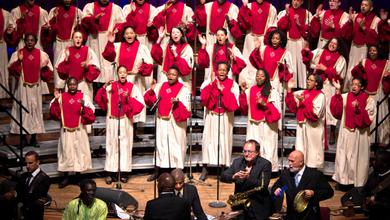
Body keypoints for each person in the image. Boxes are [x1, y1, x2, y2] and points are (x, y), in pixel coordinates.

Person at [95, 66, 145, 184]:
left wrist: (128, 99)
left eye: (124, 72)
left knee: (125, 146)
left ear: (127, 74)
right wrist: (103, 88)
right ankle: (110, 172)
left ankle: (123, 172)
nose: (122, 74)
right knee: (111, 145)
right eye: (120, 72)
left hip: (125, 121)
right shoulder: (111, 86)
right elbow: (99, 100)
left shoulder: (132, 88)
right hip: (112, 120)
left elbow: (139, 105)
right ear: (117, 73)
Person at [144, 65, 191, 181]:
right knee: (161, 146)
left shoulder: (183, 89)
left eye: (174, 74)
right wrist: (151, 89)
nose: (171, 76)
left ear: (178, 76)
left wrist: (177, 103)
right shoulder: (160, 86)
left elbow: (187, 108)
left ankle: (178, 172)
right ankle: (158, 171)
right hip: (162, 121)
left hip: (175, 122)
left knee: (176, 146)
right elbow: (149, 100)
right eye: (169, 74)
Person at [8, 33, 53, 148]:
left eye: (32, 40)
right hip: (22, 88)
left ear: (36, 41)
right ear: (24, 41)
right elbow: (12, 71)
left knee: (35, 111)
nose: (30, 42)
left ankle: (33, 138)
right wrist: (19, 61)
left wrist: (44, 67)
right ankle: (23, 139)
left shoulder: (42, 55)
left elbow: (47, 75)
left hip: (36, 88)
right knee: (22, 111)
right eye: (28, 40)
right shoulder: (18, 53)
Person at [50, 77, 96, 188]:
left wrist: (84, 106)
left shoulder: (83, 97)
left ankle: (78, 177)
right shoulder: (61, 97)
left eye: (74, 84)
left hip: (79, 130)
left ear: (77, 85)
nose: (72, 86)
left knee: (78, 153)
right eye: (70, 84)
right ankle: (66, 177)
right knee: (66, 153)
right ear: (67, 85)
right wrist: (56, 100)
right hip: (66, 130)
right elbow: (53, 113)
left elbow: (91, 115)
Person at [330, 78, 376, 187]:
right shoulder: (345, 97)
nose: (354, 86)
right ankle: (343, 181)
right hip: (345, 132)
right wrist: (337, 93)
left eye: (357, 85)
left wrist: (359, 109)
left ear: (362, 87)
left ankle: (356, 183)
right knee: (343, 157)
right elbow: (337, 112)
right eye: (353, 84)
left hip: (359, 134)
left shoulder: (369, 100)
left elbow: (368, 121)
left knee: (357, 158)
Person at [301, 37, 347, 145]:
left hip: (330, 85)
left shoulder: (340, 59)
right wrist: (306, 52)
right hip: (317, 84)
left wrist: (325, 69)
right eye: (331, 42)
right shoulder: (320, 51)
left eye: (335, 44)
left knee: (329, 109)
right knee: (316, 107)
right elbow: (308, 59)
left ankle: (331, 132)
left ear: (338, 46)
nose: (332, 45)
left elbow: (340, 75)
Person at [102, 25, 153, 123]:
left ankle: (134, 131)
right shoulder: (118, 46)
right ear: (124, 36)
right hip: (120, 80)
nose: (129, 35)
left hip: (135, 81)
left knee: (133, 104)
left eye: (131, 33)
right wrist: (110, 42)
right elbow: (108, 56)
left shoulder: (141, 48)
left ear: (135, 35)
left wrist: (140, 70)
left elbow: (149, 64)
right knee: (121, 104)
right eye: (127, 33)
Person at [199, 62, 239, 181]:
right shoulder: (208, 82)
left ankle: (223, 170)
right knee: (208, 142)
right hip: (211, 116)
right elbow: (204, 101)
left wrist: (224, 91)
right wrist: (212, 85)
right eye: (220, 69)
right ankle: (205, 168)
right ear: (216, 70)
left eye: (224, 70)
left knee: (224, 143)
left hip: (225, 117)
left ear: (228, 72)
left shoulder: (233, 85)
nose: (221, 72)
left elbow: (234, 105)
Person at [272, 150, 334, 220]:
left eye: (292, 161)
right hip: (292, 216)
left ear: (301, 162)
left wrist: (313, 193)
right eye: (288, 161)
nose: (289, 164)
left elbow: (329, 192)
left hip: (309, 216)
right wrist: (277, 190)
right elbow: (281, 186)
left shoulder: (315, 175)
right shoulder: (285, 174)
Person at [239, 69, 281, 172]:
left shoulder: (272, 91)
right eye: (257, 75)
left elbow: (277, 112)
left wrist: (265, 104)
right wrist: (243, 93)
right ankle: (253, 169)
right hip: (253, 125)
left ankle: (268, 171)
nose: (259, 78)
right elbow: (244, 109)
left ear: (266, 78)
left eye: (262, 76)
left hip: (267, 125)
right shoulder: (250, 90)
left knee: (268, 147)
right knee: (253, 147)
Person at [221, 140, 272, 220]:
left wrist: (249, 177)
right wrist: (233, 177)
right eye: (245, 151)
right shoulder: (237, 162)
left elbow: (264, 185)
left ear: (257, 152)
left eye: (250, 151)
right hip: (239, 205)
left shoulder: (265, 164)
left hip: (258, 205)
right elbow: (223, 176)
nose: (246, 154)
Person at [351, 45, 389, 145]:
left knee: (379, 116)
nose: (372, 52)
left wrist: (387, 76)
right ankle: (367, 140)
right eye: (371, 50)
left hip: (379, 93)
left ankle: (381, 140)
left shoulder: (385, 63)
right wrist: (358, 67)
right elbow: (355, 74)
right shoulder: (364, 62)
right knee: (366, 116)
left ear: (378, 51)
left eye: (374, 50)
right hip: (366, 94)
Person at [285, 74, 326, 169]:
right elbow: (293, 107)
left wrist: (303, 101)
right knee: (301, 149)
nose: (308, 81)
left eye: (311, 80)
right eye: (308, 79)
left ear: (316, 83)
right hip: (301, 126)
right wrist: (289, 90)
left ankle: (312, 172)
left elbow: (316, 114)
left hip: (313, 127)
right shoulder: (303, 92)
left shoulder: (320, 96)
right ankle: (300, 169)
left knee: (313, 151)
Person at [81, 0, 124, 83]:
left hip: (108, 38)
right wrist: (94, 19)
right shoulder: (90, 7)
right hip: (94, 40)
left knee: (108, 65)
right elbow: (84, 22)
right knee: (94, 62)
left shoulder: (116, 8)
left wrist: (117, 29)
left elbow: (122, 23)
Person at [342, 0, 381, 91]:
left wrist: (364, 28)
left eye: (366, 5)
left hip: (365, 49)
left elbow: (376, 39)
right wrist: (350, 22)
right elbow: (345, 35)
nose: (363, 6)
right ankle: (349, 90)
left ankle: (361, 90)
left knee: (362, 70)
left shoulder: (376, 20)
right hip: (354, 47)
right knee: (350, 70)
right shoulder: (355, 16)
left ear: (371, 8)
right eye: (362, 4)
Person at [237, 0, 277, 87]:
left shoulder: (271, 8)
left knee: (261, 62)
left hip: (264, 40)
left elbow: (273, 27)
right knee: (248, 62)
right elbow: (244, 25)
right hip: (250, 38)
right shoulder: (249, 6)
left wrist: (266, 40)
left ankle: (262, 84)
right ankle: (246, 86)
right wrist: (244, 8)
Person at [55, 30, 101, 100]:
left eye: (80, 37)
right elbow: (60, 71)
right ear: (72, 39)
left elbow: (96, 69)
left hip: (84, 84)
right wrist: (66, 60)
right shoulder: (67, 51)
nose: (78, 39)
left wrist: (87, 66)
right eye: (76, 37)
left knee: (85, 104)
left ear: (82, 39)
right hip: (71, 84)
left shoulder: (88, 50)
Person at [277, 0, 312, 89]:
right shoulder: (285, 12)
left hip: (300, 42)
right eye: (294, 0)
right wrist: (287, 15)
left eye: (298, 0)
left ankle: (301, 86)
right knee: (290, 63)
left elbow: (308, 32)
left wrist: (299, 24)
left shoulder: (306, 13)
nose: (295, 2)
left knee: (301, 64)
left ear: (302, 2)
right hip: (289, 42)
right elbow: (281, 26)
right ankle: (290, 85)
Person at [43, 0, 83, 73]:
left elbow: (82, 29)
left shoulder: (77, 11)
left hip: (71, 43)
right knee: (58, 67)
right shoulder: (54, 11)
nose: (67, 0)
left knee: (72, 68)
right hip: (58, 43)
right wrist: (54, 18)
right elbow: (49, 29)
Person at [249, 29, 293, 93]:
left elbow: (290, 70)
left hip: (277, 80)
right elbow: (256, 59)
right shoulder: (264, 49)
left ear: (281, 41)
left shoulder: (286, 53)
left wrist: (282, 66)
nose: (274, 40)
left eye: (277, 38)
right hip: (264, 79)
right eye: (273, 38)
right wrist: (256, 48)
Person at [17, 151, 50, 220]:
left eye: (30, 163)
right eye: (26, 163)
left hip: (33, 214)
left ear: (38, 162)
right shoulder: (23, 176)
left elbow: (38, 198)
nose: (27, 166)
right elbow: (18, 191)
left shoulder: (44, 179)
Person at [362, 150, 390, 220]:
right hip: (372, 214)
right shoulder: (374, 174)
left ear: (384, 164)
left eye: (375, 160)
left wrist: (376, 203)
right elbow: (365, 190)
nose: (372, 162)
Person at [0, 8, 12, 98]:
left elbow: (10, 30)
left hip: (1, 44)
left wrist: (9, 30)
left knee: (2, 69)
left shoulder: (6, 14)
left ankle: (2, 95)